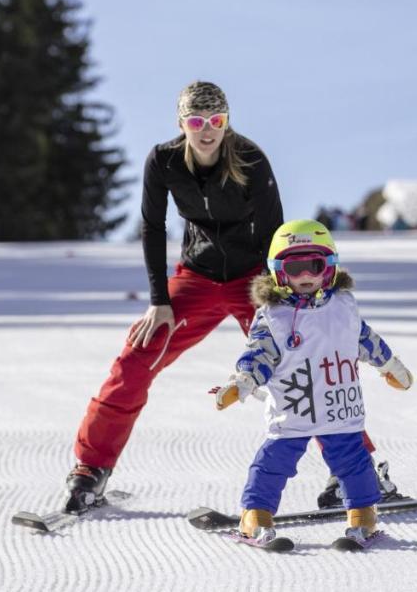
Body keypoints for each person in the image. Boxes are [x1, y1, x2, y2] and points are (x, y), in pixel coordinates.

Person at [62, 80, 285, 512]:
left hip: (252, 279)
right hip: (196, 278)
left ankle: (356, 469)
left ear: (227, 122)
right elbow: (152, 227)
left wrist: (277, 301)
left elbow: (274, 232)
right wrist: (158, 299)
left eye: (216, 121)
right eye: (197, 121)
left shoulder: (250, 158)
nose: (207, 130)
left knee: (297, 360)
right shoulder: (163, 160)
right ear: (181, 123)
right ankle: (91, 469)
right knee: (137, 355)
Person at [214, 219, 414, 546]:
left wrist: (390, 364)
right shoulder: (273, 316)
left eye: (315, 265)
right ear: (279, 271)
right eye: (295, 267)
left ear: (329, 268)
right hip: (294, 409)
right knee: (273, 464)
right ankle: (256, 515)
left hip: (340, 409)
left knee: (354, 463)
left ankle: (363, 516)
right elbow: (259, 354)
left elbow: (366, 340)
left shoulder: (344, 307)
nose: (306, 275)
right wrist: (244, 382)